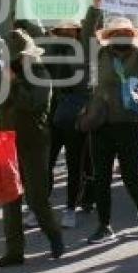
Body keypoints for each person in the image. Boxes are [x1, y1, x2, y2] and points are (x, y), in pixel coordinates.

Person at [84, 0, 138, 244]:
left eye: (125, 32)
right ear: (109, 34)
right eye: (115, 32)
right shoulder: (100, 53)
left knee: (131, 177)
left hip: (128, 123)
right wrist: (95, 5)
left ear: (131, 34)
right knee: (101, 178)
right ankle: (105, 226)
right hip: (101, 124)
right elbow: (85, 35)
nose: (120, 35)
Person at [0, 29, 65, 267]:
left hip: (34, 143)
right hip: (8, 143)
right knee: (10, 198)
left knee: (36, 198)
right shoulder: (9, 75)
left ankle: (54, 236)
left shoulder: (41, 75)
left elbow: (31, 103)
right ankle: (14, 251)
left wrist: (13, 84)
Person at [43, 20, 93, 228]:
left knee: (75, 165)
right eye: (62, 31)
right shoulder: (51, 51)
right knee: (48, 163)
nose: (66, 34)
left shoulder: (83, 51)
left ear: (78, 32)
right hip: (54, 115)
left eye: (71, 30)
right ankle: (41, 207)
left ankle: (70, 208)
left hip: (76, 116)